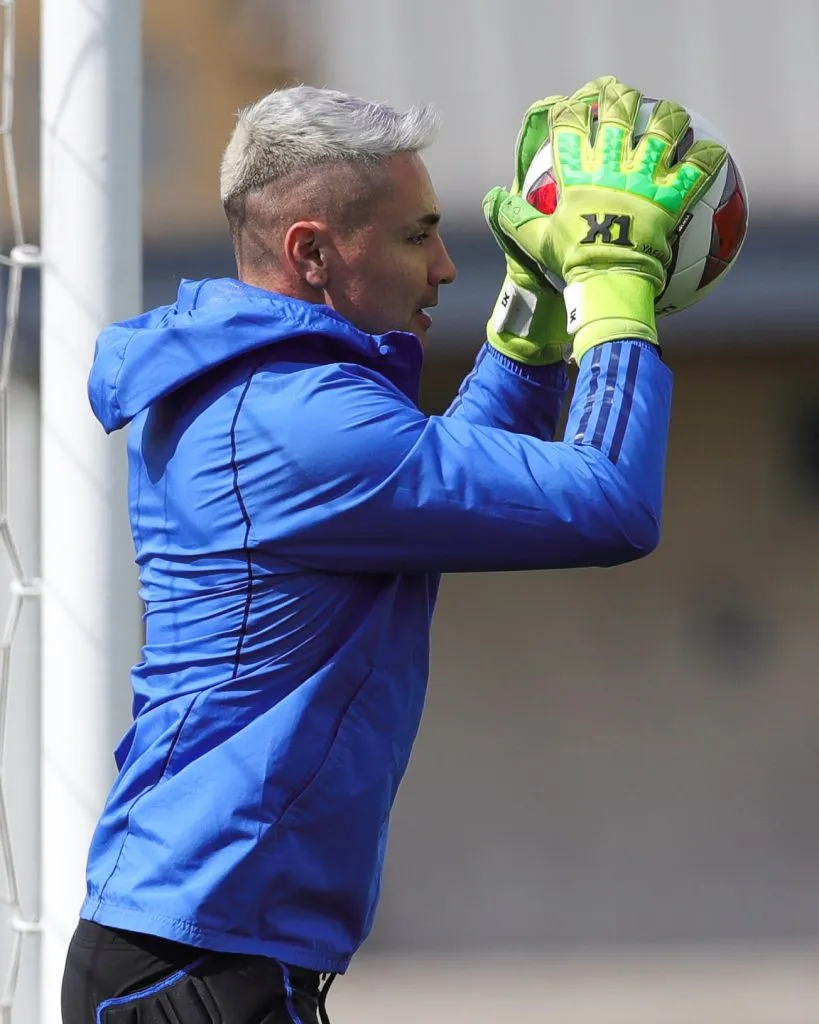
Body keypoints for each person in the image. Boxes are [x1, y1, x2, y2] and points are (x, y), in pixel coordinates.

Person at [61, 76, 726, 1023]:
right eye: (417, 235)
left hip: (206, 957)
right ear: (313, 252)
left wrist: (535, 306)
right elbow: (608, 502)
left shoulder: (277, 393)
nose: (449, 266)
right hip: (200, 963)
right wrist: (613, 293)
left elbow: (435, 475)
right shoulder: (294, 422)